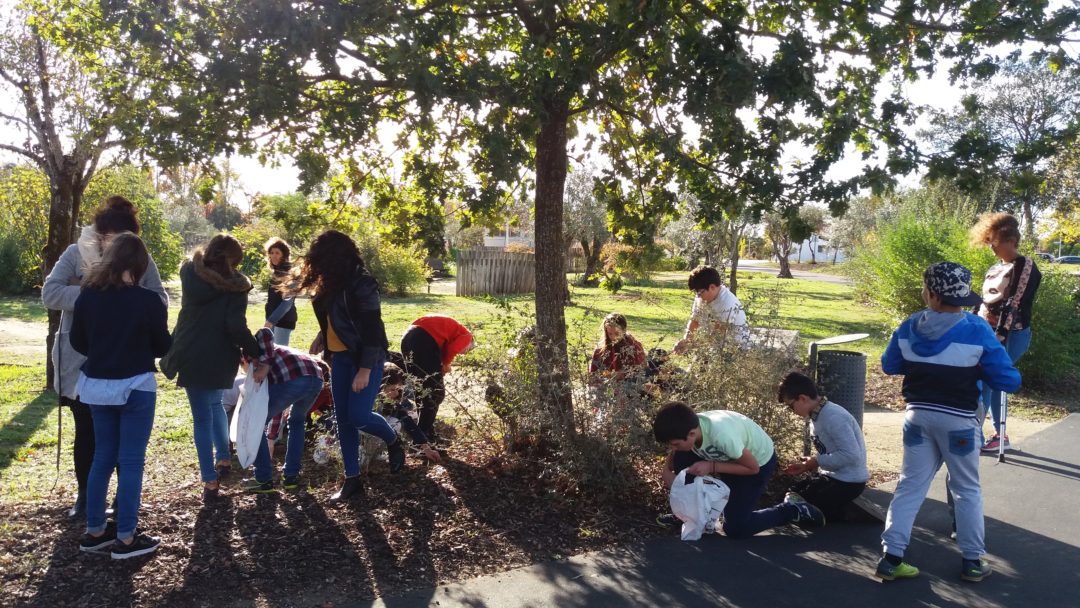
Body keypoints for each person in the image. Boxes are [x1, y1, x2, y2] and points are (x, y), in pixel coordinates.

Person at [876, 262, 1021, 583]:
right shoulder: (977, 329)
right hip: (959, 423)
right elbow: (1009, 380)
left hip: (916, 418)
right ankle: (972, 562)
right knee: (966, 490)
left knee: (910, 486)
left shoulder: (909, 326)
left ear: (929, 293)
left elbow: (889, 365)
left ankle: (891, 557)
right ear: (962, 297)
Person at [41, 196, 168, 519]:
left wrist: (113, 297)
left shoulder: (140, 259)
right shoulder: (74, 253)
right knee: (87, 434)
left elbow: (159, 299)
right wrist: (92, 291)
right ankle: (86, 498)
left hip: (128, 358)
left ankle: (124, 508)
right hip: (82, 361)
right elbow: (50, 293)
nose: (115, 243)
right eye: (110, 237)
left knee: (127, 445)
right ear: (99, 234)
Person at [70, 233, 171, 559]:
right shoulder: (147, 301)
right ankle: (126, 537)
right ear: (139, 265)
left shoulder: (88, 296)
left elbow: (78, 341)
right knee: (130, 462)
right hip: (136, 387)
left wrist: (103, 352)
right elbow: (162, 347)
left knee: (102, 458)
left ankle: (95, 530)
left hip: (97, 387)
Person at [292, 229, 406, 501]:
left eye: (320, 257)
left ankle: (392, 440)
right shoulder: (329, 283)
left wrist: (366, 369)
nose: (315, 263)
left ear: (334, 256)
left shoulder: (362, 283)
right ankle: (352, 480)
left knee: (359, 417)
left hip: (366, 357)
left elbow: (372, 329)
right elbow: (335, 317)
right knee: (343, 420)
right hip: (340, 359)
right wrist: (324, 336)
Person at [160, 235, 259, 501]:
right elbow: (235, 326)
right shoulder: (236, 287)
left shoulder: (190, 274)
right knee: (214, 405)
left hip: (191, 350)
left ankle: (210, 479)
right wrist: (255, 351)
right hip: (220, 355)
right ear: (235, 259)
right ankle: (223, 459)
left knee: (203, 415)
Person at [653, 402, 825, 538]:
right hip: (725, 456)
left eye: (675, 444)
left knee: (736, 528)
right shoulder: (690, 430)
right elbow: (675, 464)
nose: (672, 448)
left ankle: (792, 509)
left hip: (756, 463)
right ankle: (692, 515)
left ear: (691, 434)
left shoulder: (721, 436)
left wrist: (711, 466)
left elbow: (752, 468)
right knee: (681, 460)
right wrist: (669, 470)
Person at [970, 213, 1041, 452]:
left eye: (995, 242)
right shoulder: (997, 266)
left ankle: (984, 436)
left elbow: (1015, 302)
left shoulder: (1025, 266)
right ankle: (996, 435)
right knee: (991, 381)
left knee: (990, 379)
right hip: (988, 331)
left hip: (1011, 334)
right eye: (989, 241)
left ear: (1010, 240)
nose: (992, 247)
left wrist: (1000, 334)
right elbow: (985, 300)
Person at [239, 328, 326, 492]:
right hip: (315, 377)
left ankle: (263, 478)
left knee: (254, 424)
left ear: (244, 359)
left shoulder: (256, 352)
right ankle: (291, 476)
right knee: (296, 422)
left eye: (243, 368)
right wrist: (271, 437)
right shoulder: (275, 355)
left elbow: (265, 332)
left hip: (295, 378)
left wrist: (263, 365)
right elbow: (277, 410)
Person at [778, 371, 868, 522]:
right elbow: (829, 452)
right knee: (793, 493)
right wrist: (810, 464)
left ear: (802, 398)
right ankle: (834, 510)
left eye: (790, 406)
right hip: (833, 477)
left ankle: (836, 514)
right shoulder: (817, 415)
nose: (791, 412)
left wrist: (817, 461)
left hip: (848, 482)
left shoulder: (834, 417)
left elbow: (851, 456)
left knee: (799, 506)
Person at [397, 314, 475, 445]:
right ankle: (421, 439)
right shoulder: (467, 336)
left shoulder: (450, 334)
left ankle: (427, 435)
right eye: (467, 351)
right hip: (423, 339)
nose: (463, 353)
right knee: (436, 394)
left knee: (423, 391)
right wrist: (446, 364)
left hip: (408, 338)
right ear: (471, 343)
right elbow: (453, 349)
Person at [672, 265, 750, 354]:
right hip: (714, 347)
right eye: (696, 293)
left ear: (712, 287)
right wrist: (685, 341)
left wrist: (690, 345)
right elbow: (695, 321)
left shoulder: (727, 303)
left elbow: (717, 336)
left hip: (735, 350)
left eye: (700, 292)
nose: (698, 296)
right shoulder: (701, 296)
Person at [377, 362, 442, 465]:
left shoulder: (392, 402)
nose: (397, 393)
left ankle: (380, 453)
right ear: (380, 387)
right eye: (392, 389)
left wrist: (426, 448)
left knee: (396, 423)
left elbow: (407, 422)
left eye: (398, 389)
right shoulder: (370, 399)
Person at [588, 313, 646, 383]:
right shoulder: (600, 350)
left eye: (617, 333)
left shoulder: (634, 347)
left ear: (624, 330)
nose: (613, 337)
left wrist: (620, 374)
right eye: (610, 334)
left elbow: (640, 370)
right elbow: (593, 374)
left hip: (629, 386)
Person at [263, 237, 298, 346]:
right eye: (272, 253)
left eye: (277, 253)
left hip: (283, 321)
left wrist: (270, 321)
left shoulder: (289, 273)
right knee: (272, 355)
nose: (273, 255)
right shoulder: (276, 273)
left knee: (280, 355)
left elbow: (287, 303)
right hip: (273, 320)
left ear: (284, 255)